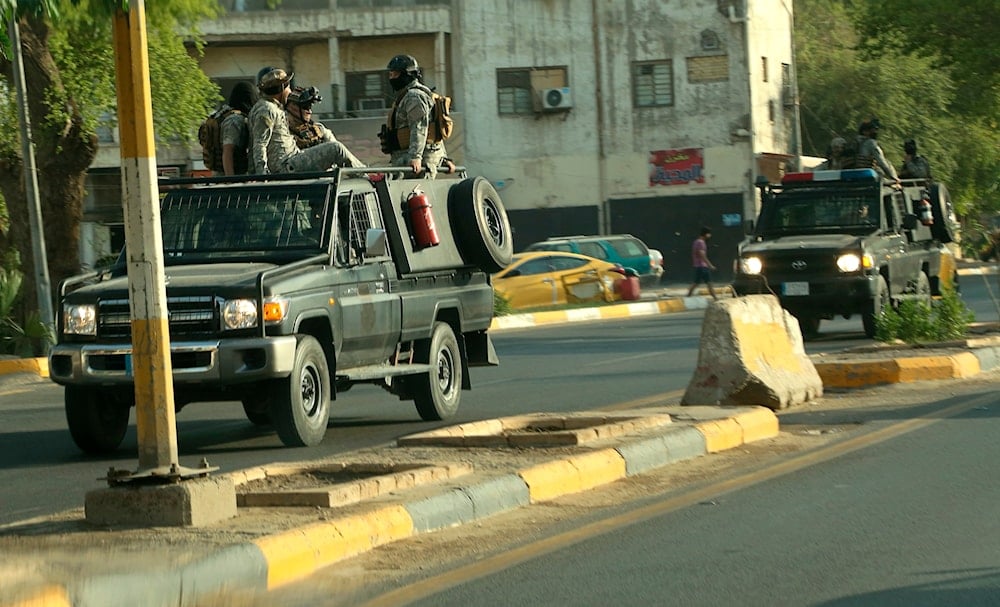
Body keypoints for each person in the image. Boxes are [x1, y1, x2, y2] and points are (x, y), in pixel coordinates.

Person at [249, 67, 365, 175]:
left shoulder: (270, 108)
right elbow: (260, 144)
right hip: (286, 166)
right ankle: (366, 174)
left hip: (291, 160)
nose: (290, 92)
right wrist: (262, 176)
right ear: (282, 87)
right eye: (288, 87)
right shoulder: (267, 109)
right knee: (336, 149)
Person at [380, 54, 447, 179]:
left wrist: (415, 157)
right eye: (390, 75)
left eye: (395, 74)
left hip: (417, 163)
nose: (392, 78)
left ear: (407, 75)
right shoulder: (405, 96)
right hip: (404, 159)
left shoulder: (414, 96)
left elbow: (420, 127)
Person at [285, 85, 343, 150]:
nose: (310, 111)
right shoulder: (283, 131)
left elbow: (336, 149)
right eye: (306, 107)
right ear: (293, 107)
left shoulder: (319, 129)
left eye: (310, 107)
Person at [219, 81, 256, 176]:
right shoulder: (234, 120)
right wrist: (231, 182)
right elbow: (228, 150)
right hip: (230, 178)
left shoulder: (238, 117)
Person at [852, 118, 899, 184]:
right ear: (864, 131)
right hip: (867, 175)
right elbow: (881, 161)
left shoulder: (855, 142)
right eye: (872, 129)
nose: (875, 131)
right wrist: (893, 177)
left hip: (855, 176)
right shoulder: (870, 142)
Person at [686, 227, 718, 300]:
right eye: (709, 234)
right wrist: (710, 265)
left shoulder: (696, 242)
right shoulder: (701, 242)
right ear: (706, 234)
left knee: (705, 283)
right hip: (702, 266)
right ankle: (687, 297)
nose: (710, 236)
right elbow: (702, 254)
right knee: (699, 283)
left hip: (699, 266)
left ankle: (715, 298)